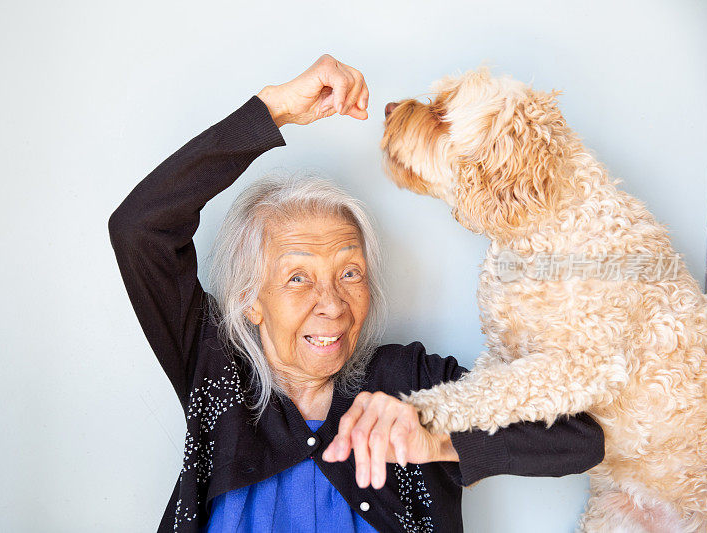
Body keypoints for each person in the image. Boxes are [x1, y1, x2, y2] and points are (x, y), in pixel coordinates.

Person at [107, 54, 605, 533]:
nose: (332, 303)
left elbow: (581, 437)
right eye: (297, 277)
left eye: (350, 273)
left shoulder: (409, 382)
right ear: (249, 300)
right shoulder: (215, 371)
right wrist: (272, 110)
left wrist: (436, 431)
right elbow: (139, 229)